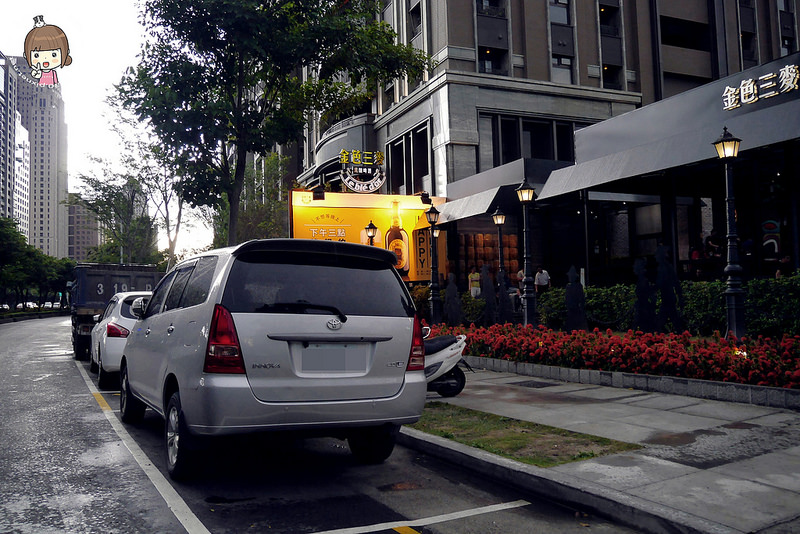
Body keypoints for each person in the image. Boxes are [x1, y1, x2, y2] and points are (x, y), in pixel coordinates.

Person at [24, 16, 72, 86]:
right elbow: (35, 76)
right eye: (36, 55)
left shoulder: (53, 73)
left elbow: (56, 83)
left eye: (54, 55)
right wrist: (36, 71)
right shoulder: (39, 72)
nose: (45, 59)